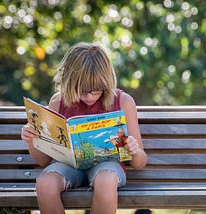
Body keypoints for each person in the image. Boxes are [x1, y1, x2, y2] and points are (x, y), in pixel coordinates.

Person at [21, 42, 147, 214]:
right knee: (45, 182)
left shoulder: (123, 102)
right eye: (82, 91)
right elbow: (43, 161)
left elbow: (140, 163)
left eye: (96, 90)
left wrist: (134, 150)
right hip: (68, 166)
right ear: (69, 82)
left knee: (106, 180)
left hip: (107, 167)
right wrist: (32, 140)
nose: (89, 97)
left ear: (107, 82)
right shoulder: (58, 102)